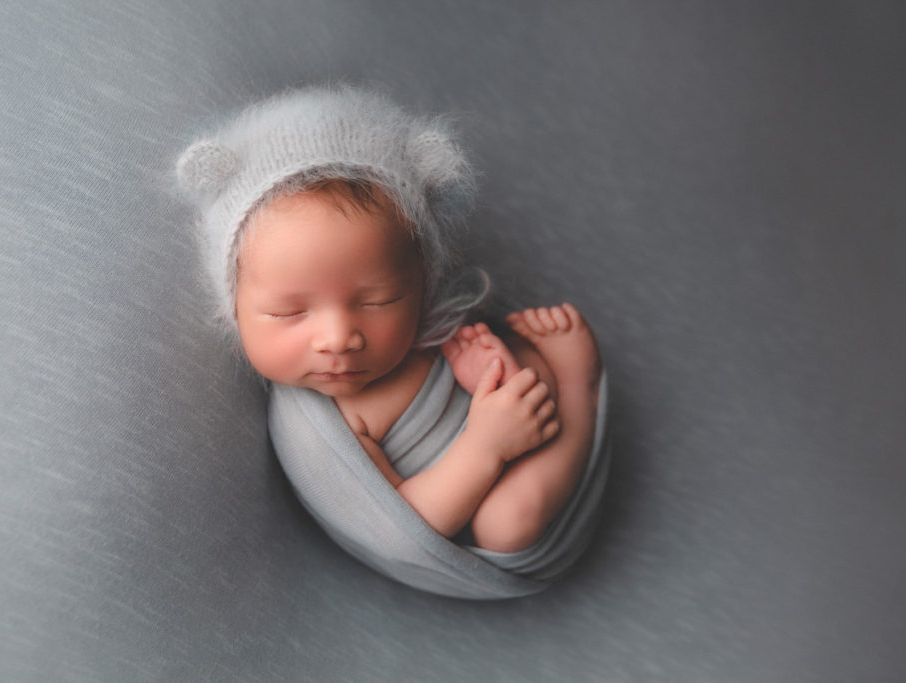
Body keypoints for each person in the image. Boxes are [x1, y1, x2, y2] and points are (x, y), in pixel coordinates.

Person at [178, 85, 602, 554]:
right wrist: (487, 444)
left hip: (514, 425)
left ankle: (553, 385)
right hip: (482, 488)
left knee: (513, 361)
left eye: (379, 300)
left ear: (421, 284)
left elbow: (465, 380)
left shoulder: (424, 332)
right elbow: (409, 529)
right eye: (290, 311)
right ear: (233, 308)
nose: (339, 339)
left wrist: (490, 376)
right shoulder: (319, 433)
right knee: (507, 525)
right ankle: (578, 389)